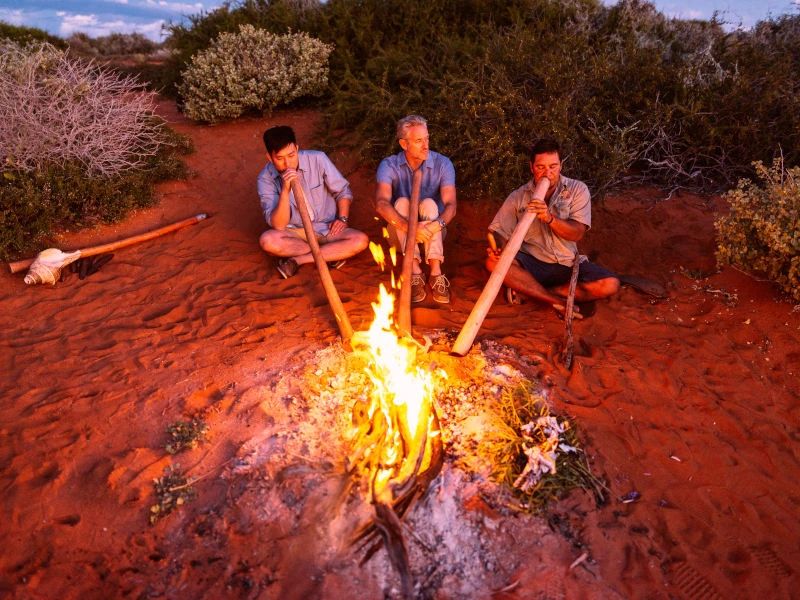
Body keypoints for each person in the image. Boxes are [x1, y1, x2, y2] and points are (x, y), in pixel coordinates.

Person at [487, 138, 619, 316]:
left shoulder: (577, 190)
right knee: (493, 263)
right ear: (531, 167)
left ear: (560, 166)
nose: (547, 173)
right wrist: (499, 249)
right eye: (541, 167)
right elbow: (499, 231)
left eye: (553, 166)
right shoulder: (518, 196)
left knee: (611, 284)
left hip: (567, 262)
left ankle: (535, 293)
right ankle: (557, 301)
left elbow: (577, 233)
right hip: (533, 263)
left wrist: (550, 219)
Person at [257, 125, 368, 278]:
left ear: (296, 148)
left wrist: (342, 218)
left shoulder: (318, 159)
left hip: (326, 227)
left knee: (360, 240)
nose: (288, 164)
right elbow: (278, 225)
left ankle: (298, 260)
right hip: (294, 232)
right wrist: (285, 191)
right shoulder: (265, 179)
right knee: (267, 241)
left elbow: (342, 191)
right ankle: (331, 254)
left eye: (291, 155)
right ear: (269, 157)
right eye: (280, 158)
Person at [375, 115, 457, 303]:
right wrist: (410, 228)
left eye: (427, 138)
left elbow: (451, 206)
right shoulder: (389, 165)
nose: (426, 145)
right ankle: (415, 272)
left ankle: (436, 273)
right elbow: (381, 203)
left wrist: (432, 227)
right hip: (401, 232)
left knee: (429, 203)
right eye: (419, 141)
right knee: (402, 202)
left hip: (433, 231)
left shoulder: (442, 164)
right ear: (404, 144)